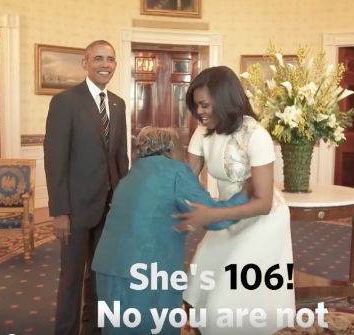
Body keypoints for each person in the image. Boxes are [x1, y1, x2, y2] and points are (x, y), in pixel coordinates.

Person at [92, 127, 255, 335]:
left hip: (108, 268)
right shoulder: (176, 172)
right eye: (181, 149)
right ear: (169, 151)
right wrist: (246, 193)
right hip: (146, 275)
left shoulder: (131, 175)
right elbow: (213, 217)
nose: (185, 155)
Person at [177, 66, 296, 335]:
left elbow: (263, 203)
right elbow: (186, 178)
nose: (200, 113)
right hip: (224, 213)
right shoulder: (203, 132)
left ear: (225, 99)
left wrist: (211, 215)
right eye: (196, 106)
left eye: (205, 105)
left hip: (261, 220)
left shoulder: (256, 136)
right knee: (200, 280)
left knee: (226, 297)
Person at [44, 39, 129, 335]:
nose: (106, 64)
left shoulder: (118, 104)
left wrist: (123, 204)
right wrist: (60, 212)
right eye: (99, 59)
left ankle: (93, 329)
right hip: (75, 210)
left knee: (100, 274)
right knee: (71, 278)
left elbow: (121, 158)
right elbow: (55, 161)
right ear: (86, 63)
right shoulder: (65, 102)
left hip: (109, 208)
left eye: (110, 59)